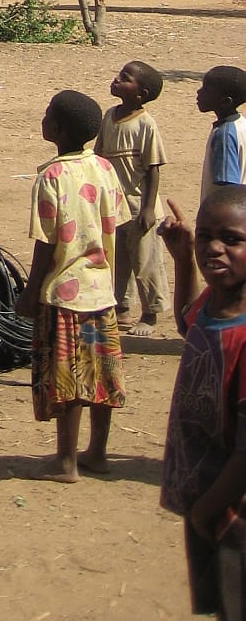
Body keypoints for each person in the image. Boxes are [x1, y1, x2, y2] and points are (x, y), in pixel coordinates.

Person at [15, 90, 129, 484]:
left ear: (58, 128)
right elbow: (115, 221)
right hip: (102, 289)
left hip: (65, 293)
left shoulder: (51, 176)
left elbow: (46, 242)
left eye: (48, 114)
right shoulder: (104, 168)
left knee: (68, 378)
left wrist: (31, 292)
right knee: (103, 373)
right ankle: (97, 452)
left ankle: (66, 461)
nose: (43, 118)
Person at [158, 186, 246, 621]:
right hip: (207, 500)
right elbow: (187, 321)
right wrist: (181, 261)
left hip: (232, 509)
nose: (214, 248)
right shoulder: (215, 303)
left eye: (231, 238)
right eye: (206, 236)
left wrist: (208, 513)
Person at [93, 61, 169, 336]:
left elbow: (153, 168)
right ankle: (122, 308)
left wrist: (149, 208)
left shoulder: (146, 124)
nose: (116, 80)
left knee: (145, 261)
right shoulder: (109, 116)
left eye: (124, 78)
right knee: (118, 259)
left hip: (139, 206)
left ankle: (151, 312)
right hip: (114, 204)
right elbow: (99, 157)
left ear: (141, 94)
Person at [198, 65, 246, 203]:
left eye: (206, 89)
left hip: (225, 216)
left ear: (225, 101)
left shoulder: (224, 135)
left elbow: (227, 189)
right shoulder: (242, 125)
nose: (198, 92)